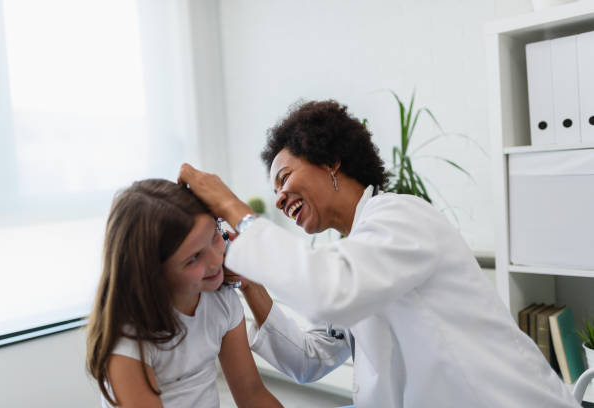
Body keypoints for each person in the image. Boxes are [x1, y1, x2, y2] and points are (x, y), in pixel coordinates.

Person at [178, 100, 581, 408]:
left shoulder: (401, 216)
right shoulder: (357, 252)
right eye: (274, 192)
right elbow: (307, 360)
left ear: (330, 160)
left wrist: (233, 208)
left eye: (285, 178)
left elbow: (331, 290)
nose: (280, 199)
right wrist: (249, 285)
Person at [85, 179, 283, 408]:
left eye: (214, 238)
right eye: (193, 258)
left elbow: (252, 395)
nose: (215, 261)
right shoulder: (128, 337)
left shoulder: (220, 299)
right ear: (152, 271)